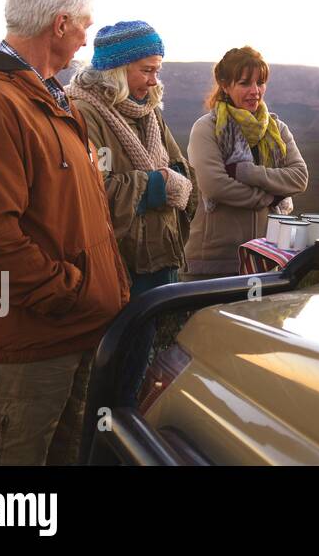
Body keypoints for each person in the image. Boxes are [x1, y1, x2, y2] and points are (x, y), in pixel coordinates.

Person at [0, 0, 130, 465]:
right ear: (60, 24)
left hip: (63, 336)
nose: (87, 40)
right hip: (24, 347)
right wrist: (72, 293)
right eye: (85, 25)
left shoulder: (48, 98)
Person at [66, 22, 199, 398]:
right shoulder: (84, 113)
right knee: (108, 380)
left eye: (158, 69)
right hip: (117, 271)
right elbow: (92, 190)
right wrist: (158, 186)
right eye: (147, 70)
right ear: (116, 70)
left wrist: (175, 181)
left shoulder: (149, 111)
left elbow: (180, 169)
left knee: (136, 373)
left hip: (156, 265)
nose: (155, 80)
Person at [180, 47, 309, 279]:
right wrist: (268, 198)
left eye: (260, 83)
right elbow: (215, 186)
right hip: (215, 261)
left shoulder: (277, 129)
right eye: (244, 83)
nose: (255, 91)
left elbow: (299, 178)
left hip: (267, 256)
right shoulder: (207, 128)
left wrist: (246, 171)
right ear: (225, 84)